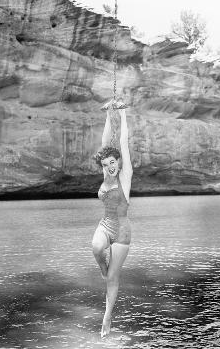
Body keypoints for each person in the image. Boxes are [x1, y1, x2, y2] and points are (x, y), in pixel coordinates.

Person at [92, 101, 133, 338]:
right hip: (105, 225)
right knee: (97, 247)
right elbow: (105, 143)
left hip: (122, 232)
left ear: (119, 162)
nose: (111, 166)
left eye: (113, 162)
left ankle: (107, 316)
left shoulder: (124, 176)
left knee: (112, 278)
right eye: (106, 164)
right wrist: (109, 112)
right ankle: (102, 268)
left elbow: (121, 143)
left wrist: (123, 113)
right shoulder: (105, 174)